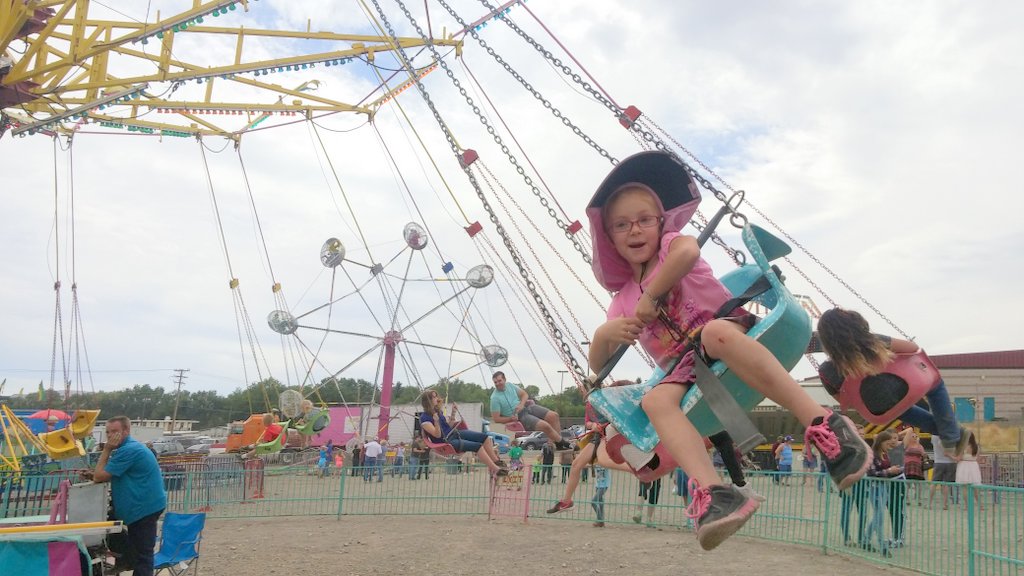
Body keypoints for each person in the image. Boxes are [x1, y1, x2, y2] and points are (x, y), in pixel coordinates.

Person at [584, 151, 870, 550]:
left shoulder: (670, 246)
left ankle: (825, 424)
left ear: (661, 222)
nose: (635, 230)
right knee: (655, 401)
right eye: (621, 225)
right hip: (684, 366)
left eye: (644, 220)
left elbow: (688, 253)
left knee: (714, 332)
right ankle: (717, 493)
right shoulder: (621, 300)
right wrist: (604, 334)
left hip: (722, 327)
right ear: (611, 239)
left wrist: (653, 293)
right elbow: (597, 367)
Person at [815, 307, 970, 458]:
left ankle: (954, 433)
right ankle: (951, 438)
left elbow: (844, 401)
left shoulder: (825, 371)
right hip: (903, 388)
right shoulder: (872, 342)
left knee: (902, 410)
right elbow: (912, 347)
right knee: (935, 385)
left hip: (877, 410)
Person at [82, 416, 166, 576]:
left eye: (115, 432)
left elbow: (100, 476)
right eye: (108, 432)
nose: (110, 436)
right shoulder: (128, 449)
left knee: (144, 555)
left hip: (144, 507)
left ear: (126, 431)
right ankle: (125, 559)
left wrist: (106, 449)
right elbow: (110, 473)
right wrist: (93, 474)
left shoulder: (129, 450)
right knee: (109, 526)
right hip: (139, 506)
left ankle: (128, 560)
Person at [418, 390, 507, 478]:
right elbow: (437, 435)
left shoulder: (439, 412)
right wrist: (436, 422)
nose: (436, 399)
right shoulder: (424, 418)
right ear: (428, 401)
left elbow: (448, 426)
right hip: (447, 442)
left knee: (485, 438)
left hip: (454, 433)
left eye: (436, 396)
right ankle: (496, 469)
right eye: (433, 397)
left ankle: (497, 461)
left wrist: (453, 413)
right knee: (477, 446)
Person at [490, 371, 569, 449]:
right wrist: (510, 418)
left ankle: (557, 444)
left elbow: (524, 395)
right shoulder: (495, 398)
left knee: (554, 415)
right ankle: (563, 443)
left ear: (504, 379)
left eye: (499, 381)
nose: (497, 384)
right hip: (520, 416)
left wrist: (521, 404)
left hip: (526, 407)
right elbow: (496, 419)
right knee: (545, 426)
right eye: (495, 382)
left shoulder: (510, 385)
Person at [865, 430, 902, 554]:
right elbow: (871, 473)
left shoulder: (885, 454)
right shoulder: (873, 455)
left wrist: (893, 471)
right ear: (881, 442)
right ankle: (882, 545)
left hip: (884, 486)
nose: (889, 446)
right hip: (875, 487)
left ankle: (866, 539)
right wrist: (888, 471)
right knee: (879, 516)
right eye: (887, 443)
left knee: (878, 515)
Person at [956, 432, 983, 511]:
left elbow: (959, 458)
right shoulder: (977, 447)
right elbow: (978, 458)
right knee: (976, 488)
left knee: (964, 487)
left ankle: (967, 506)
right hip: (974, 466)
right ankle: (980, 505)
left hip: (964, 465)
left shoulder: (963, 446)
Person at [928, 438, 957, 510]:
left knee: (934, 483)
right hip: (950, 462)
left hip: (939, 461)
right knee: (946, 484)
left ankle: (929, 503)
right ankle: (945, 504)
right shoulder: (949, 434)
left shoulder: (934, 436)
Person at [902, 430, 927, 505]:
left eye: (916, 437)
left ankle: (919, 499)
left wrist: (925, 456)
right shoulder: (907, 445)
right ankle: (906, 499)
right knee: (908, 484)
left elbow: (924, 455)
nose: (915, 438)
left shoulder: (920, 446)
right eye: (913, 436)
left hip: (917, 467)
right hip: (908, 466)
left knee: (918, 484)